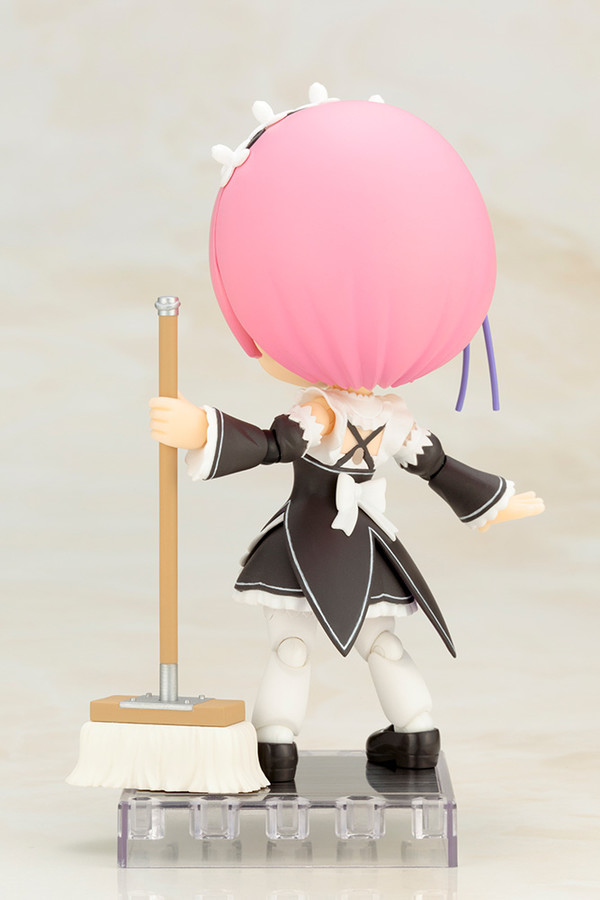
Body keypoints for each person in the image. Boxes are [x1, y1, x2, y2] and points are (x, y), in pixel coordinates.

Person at [150, 86, 544, 783]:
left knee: (292, 642)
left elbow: (275, 444)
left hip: (307, 535)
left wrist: (201, 429)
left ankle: (277, 741)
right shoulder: (394, 419)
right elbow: (436, 464)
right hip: (366, 539)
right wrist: (493, 499)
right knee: (380, 639)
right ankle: (415, 732)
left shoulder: (322, 412)